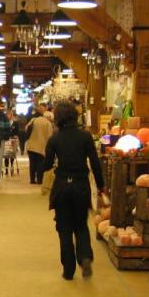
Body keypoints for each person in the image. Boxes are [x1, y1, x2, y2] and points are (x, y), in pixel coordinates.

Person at [42, 101, 106, 280]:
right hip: (80, 185)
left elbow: (47, 165)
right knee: (80, 225)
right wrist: (101, 185)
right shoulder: (85, 136)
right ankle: (85, 257)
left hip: (62, 186)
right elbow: (95, 163)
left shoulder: (55, 139)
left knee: (64, 228)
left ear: (58, 118)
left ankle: (68, 270)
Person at [25, 104, 53, 185]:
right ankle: (40, 180)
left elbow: (26, 129)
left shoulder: (33, 120)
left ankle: (32, 179)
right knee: (40, 163)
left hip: (31, 145)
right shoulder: (47, 123)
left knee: (32, 163)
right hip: (41, 146)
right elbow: (50, 136)